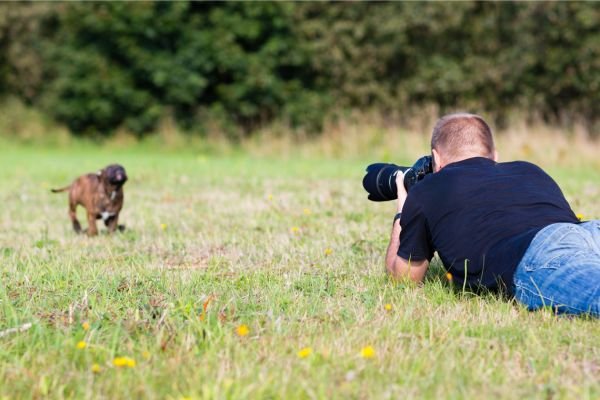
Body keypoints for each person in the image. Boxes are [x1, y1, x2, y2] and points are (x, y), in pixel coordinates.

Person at [385, 113, 600, 317]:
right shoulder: (530, 169)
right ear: (494, 155)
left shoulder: (429, 188)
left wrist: (402, 212)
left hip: (542, 253)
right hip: (590, 232)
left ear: (436, 158)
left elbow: (404, 280)